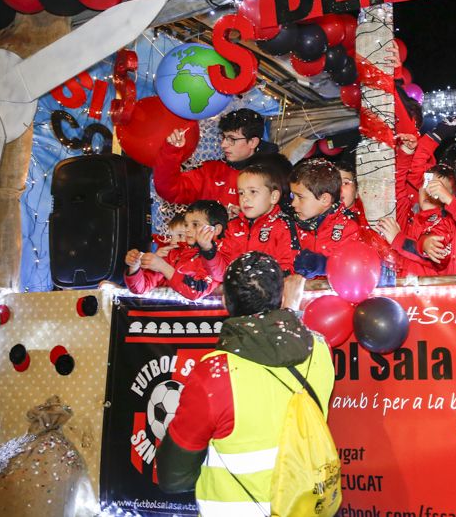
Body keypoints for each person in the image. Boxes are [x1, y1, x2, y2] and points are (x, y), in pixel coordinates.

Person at [157, 251, 335, 515]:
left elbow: (173, 477)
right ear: (281, 295)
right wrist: (290, 310)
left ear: (226, 302)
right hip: (307, 506)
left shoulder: (214, 373)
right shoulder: (320, 348)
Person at [154, 109, 278, 215]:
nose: (223, 144)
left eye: (232, 139)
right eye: (224, 137)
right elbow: (170, 190)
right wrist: (171, 152)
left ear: (252, 142)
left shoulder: (272, 176)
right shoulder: (210, 171)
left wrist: (244, 220)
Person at [200, 162, 297, 278]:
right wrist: (208, 250)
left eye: (253, 191)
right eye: (241, 193)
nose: (245, 198)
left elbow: (289, 271)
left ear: (274, 197)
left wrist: (257, 285)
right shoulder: (233, 227)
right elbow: (221, 274)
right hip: (238, 294)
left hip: (269, 293)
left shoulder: (284, 226)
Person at [125, 201, 229, 301]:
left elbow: (196, 291)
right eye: (186, 224)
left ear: (216, 230)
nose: (187, 229)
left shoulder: (217, 262)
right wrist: (134, 267)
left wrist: (163, 267)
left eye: (195, 224)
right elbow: (141, 288)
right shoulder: (172, 253)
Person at [376, 164, 454, 277]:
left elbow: (437, 258)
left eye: (437, 187)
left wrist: (398, 238)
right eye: (426, 184)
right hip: (405, 287)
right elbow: (397, 186)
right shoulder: (411, 218)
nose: (429, 191)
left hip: (426, 290)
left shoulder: (445, 221)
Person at [288, 159, 360, 279]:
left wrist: (323, 265)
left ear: (325, 199)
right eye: (292, 196)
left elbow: (353, 268)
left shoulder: (348, 227)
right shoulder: (290, 226)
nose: (293, 203)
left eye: (300, 197)